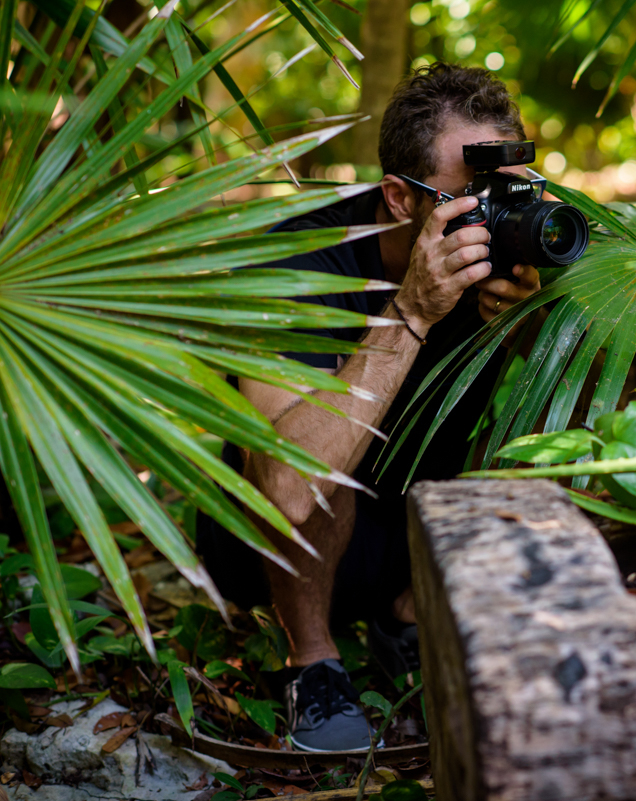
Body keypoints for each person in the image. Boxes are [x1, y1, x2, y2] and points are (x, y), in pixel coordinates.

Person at [195, 62, 541, 753]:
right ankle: (313, 662)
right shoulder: (295, 258)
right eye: (467, 195)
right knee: (322, 461)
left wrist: (534, 324)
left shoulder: (513, 258)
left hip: (414, 529)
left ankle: (406, 617)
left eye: (506, 192)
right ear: (396, 197)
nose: (489, 214)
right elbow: (288, 487)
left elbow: (606, 428)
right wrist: (411, 311)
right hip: (273, 547)